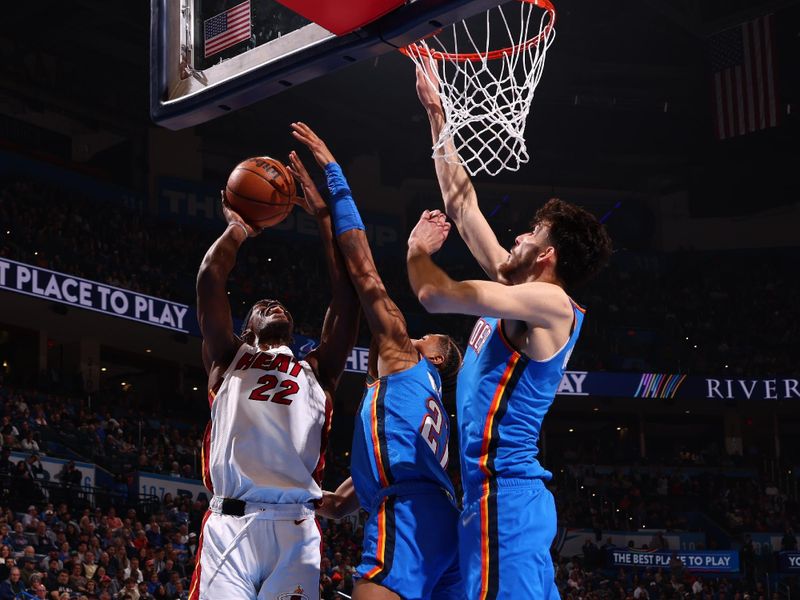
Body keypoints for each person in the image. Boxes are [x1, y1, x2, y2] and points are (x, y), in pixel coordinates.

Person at [409, 60, 612, 599]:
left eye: (529, 231)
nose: (515, 235)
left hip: (505, 500)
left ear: (545, 254)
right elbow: (463, 204)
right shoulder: (521, 295)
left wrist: (414, 254)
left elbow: (435, 294)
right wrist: (437, 116)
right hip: (496, 500)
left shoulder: (549, 303)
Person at [291, 122, 463, 600]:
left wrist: (334, 172)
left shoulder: (405, 357)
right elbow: (342, 502)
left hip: (408, 514)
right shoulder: (419, 413)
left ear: (436, 355)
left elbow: (363, 268)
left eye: (426, 334)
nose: (413, 332)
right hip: (438, 520)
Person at [190, 147, 359, 600]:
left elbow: (347, 296)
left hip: (296, 528)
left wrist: (324, 219)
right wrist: (239, 227)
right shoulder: (227, 358)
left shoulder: (316, 370)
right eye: (261, 306)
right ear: (246, 329)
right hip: (230, 526)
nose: (273, 303)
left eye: (279, 304)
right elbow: (210, 277)